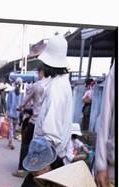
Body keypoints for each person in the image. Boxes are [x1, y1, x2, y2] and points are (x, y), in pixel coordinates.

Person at [33, 34, 73, 167]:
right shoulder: (62, 83)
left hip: (49, 157)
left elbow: (51, 134)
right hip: (52, 155)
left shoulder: (57, 87)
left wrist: (42, 164)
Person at [14, 66, 46, 177]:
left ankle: (21, 169)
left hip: (34, 121)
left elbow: (25, 100)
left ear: (41, 72)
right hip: (46, 124)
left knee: (25, 144)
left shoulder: (37, 86)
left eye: (38, 73)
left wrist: (20, 107)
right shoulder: (51, 86)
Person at [6, 77, 23, 149]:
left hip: (16, 114)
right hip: (11, 113)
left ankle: (10, 141)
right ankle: (11, 142)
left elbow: (22, 104)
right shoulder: (11, 93)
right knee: (11, 128)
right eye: (17, 84)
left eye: (19, 84)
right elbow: (8, 103)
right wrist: (7, 111)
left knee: (13, 129)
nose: (18, 85)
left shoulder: (21, 94)